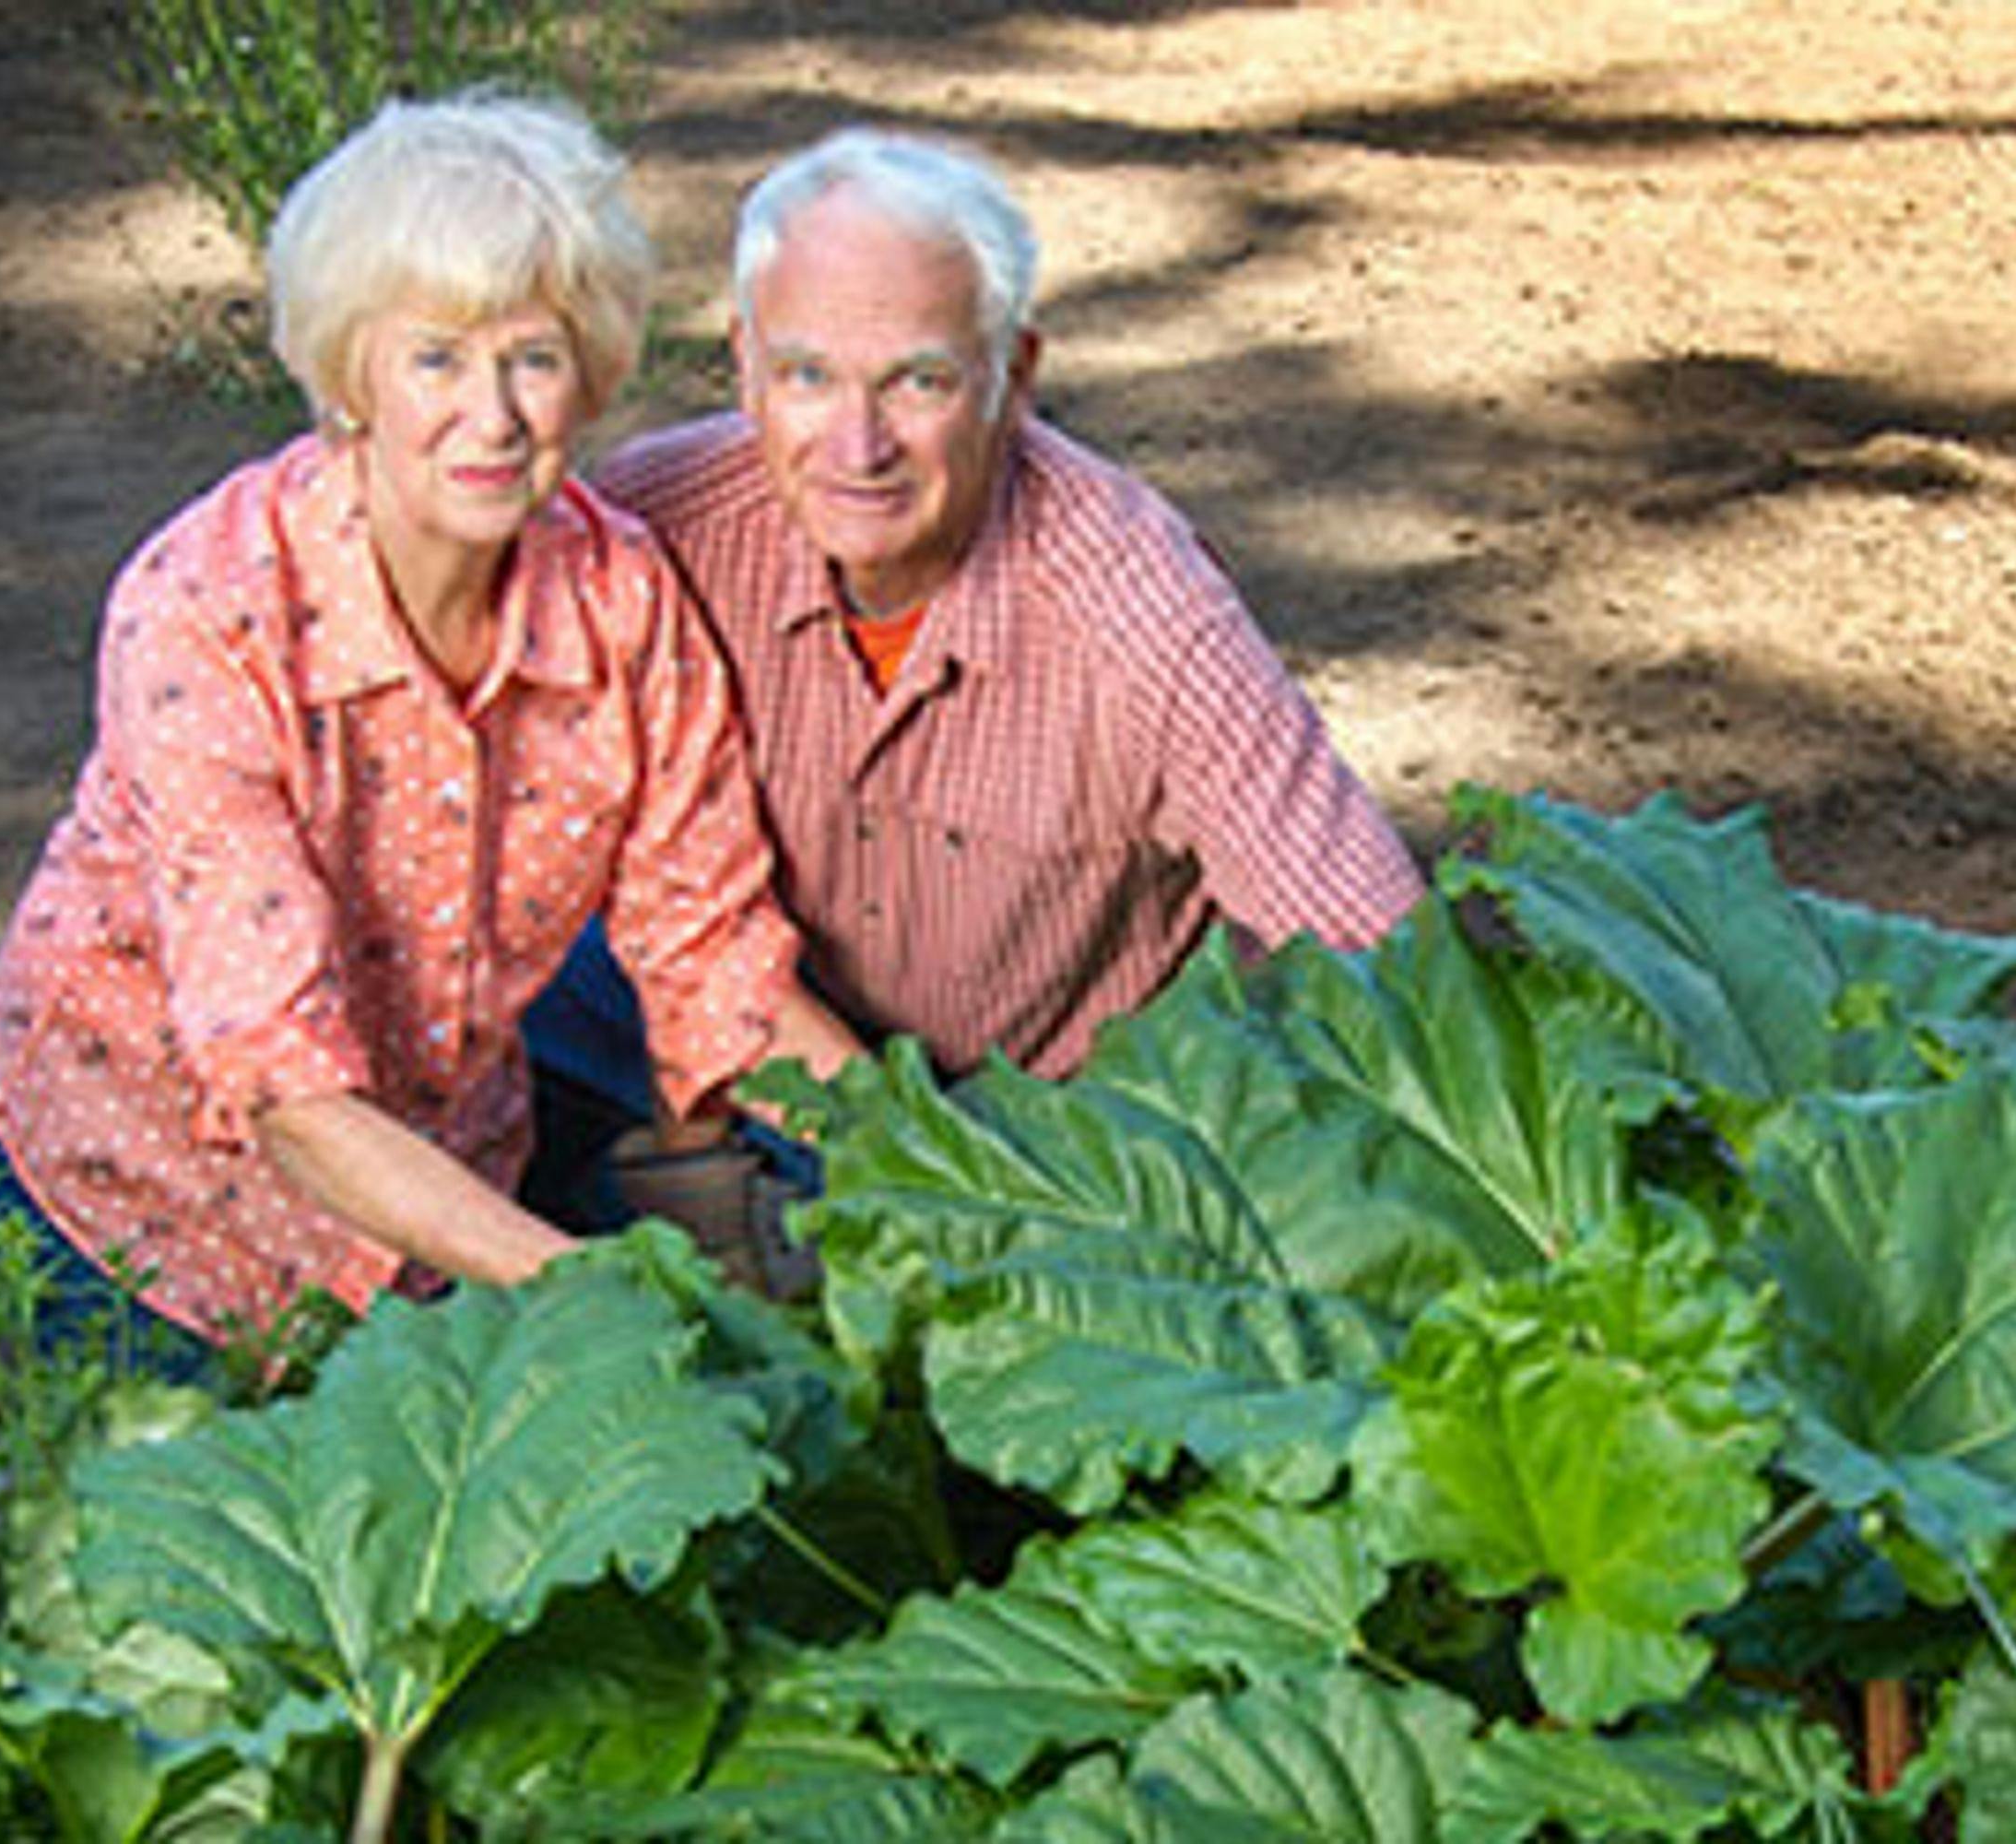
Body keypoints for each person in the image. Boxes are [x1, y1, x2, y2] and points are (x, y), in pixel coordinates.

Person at [0, 90, 860, 1359]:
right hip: (146, 1215)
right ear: (350, 374)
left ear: (588, 371)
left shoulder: (621, 599)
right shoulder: (207, 611)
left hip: (442, 1190)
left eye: (532, 358)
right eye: (436, 357)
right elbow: (286, 1091)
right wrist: (593, 1291)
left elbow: (714, 964)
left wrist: (947, 1167)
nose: (491, 418)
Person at [523, 125, 1423, 1201]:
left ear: (1015, 376)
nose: (857, 447)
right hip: (728, 1029)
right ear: (746, 366)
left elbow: (1378, 948)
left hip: (1009, 1129)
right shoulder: (658, 518)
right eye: (808, 375)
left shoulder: (1137, 605)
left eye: (918, 381)